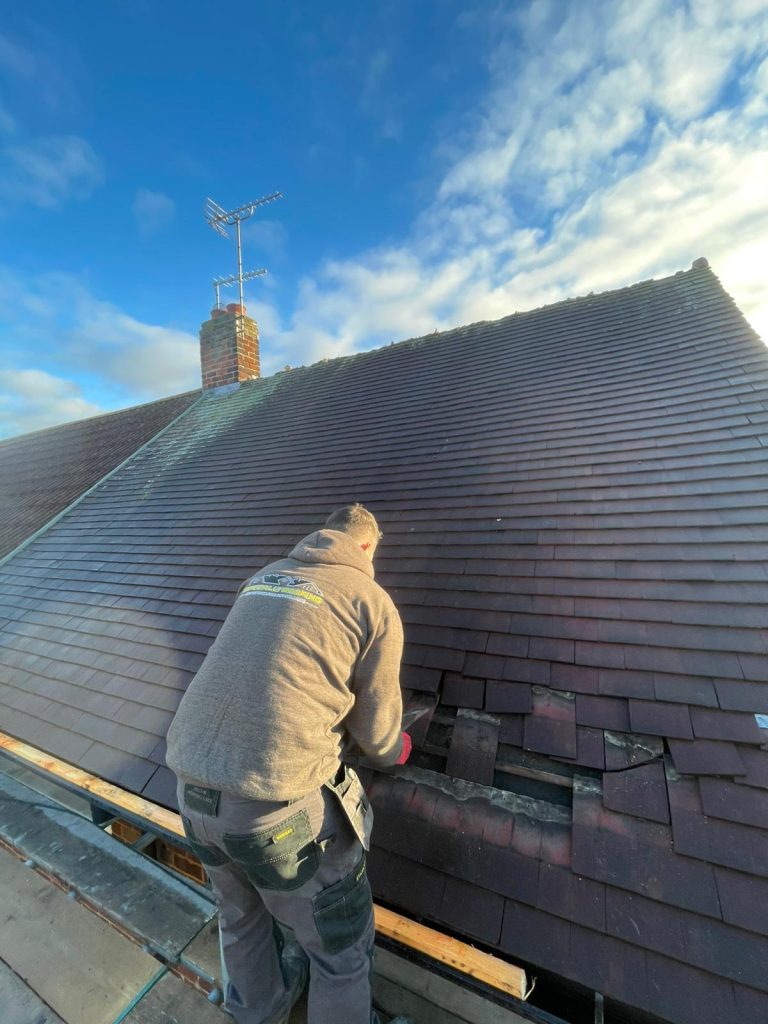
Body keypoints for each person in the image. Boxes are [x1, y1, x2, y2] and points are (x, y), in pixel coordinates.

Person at [166, 504, 413, 1024]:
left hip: (190, 791)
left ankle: (258, 1010)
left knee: (240, 918)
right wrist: (398, 750)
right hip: (273, 808)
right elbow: (377, 733)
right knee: (340, 948)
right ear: (368, 546)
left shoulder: (263, 578)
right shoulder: (370, 599)